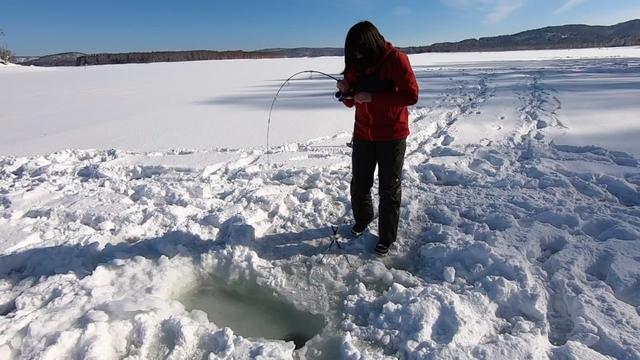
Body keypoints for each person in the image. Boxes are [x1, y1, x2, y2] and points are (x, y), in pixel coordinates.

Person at [337, 21, 419, 256]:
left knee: (388, 189)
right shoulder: (357, 64)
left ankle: (386, 237)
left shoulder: (396, 60)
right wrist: (345, 91)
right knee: (360, 183)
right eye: (353, 52)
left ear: (371, 44)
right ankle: (362, 220)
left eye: (360, 50)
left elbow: (411, 95)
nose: (356, 55)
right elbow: (351, 101)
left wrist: (373, 97)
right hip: (363, 134)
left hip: (392, 135)